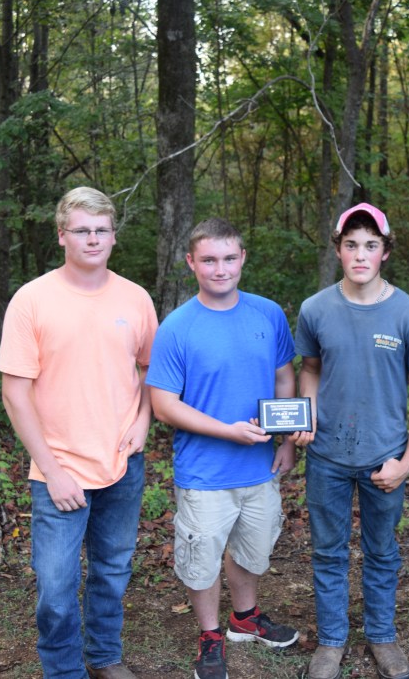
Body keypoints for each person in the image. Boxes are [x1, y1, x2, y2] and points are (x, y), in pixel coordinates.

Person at [0, 187, 157, 679]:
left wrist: (143, 421)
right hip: (59, 472)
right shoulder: (33, 300)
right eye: (82, 230)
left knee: (112, 571)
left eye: (102, 229)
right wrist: (51, 470)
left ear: (114, 235)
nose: (93, 238)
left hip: (122, 463)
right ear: (62, 235)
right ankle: (64, 670)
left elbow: (153, 371)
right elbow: (14, 393)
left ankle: (105, 656)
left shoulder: (135, 298)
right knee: (56, 586)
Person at [147, 218, 305, 679]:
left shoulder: (268, 313)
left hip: (259, 468)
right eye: (209, 260)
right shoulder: (177, 327)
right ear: (191, 263)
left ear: (242, 259)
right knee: (202, 561)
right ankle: (211, 634)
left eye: (229, 258)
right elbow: (163, 404)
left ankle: (245, 619)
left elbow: (283, 376)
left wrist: (285, 440)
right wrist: (227, 430)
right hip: (204, 473)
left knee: (254, 551)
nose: (220, 269)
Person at [294, 203, 409, 679]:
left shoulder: (408, 314)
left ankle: (382, 635)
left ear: (385, 252)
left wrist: (408, 460)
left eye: (371, 245)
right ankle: (332, 641)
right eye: (351, 244)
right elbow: (311, 370)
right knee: (328, 550)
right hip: (327, 457)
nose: (361, 254)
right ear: (338, 249)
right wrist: (307, 415)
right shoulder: (316, 309)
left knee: (382, 550)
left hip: (385, 456)